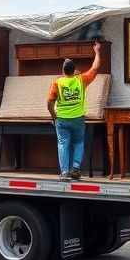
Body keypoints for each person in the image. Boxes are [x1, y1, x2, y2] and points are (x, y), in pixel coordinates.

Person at [47, 42, 102, 181]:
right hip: (78, 118)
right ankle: (76, 168)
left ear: (63, 71)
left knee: (63, 143)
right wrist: (97, 51)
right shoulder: (81, 80)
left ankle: (65, 172)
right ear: (74, 70)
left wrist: (54, 117)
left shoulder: (57, 82)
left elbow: (49, 102)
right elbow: (95, 68)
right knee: (78, 142)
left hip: (62, 119)